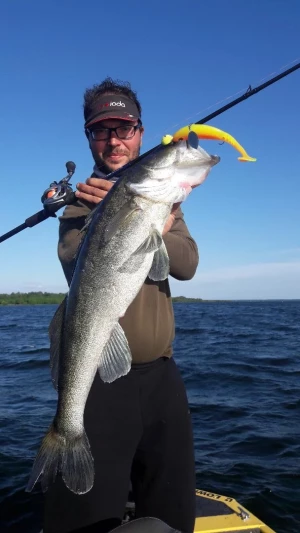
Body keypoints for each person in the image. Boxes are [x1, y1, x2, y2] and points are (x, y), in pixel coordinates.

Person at [43, 78, 199, 533]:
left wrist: (161, 219)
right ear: (89, 138)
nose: (114, 139)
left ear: (141, 133)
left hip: (163, 379)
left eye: (124, 127)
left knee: (174, 513)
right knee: (86, 519)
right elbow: (76, 267)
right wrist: (109, 212)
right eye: (101, 130)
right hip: (100, 386)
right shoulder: (79, 205)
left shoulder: (164, 199)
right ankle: (62, 439)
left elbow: (186, 265)